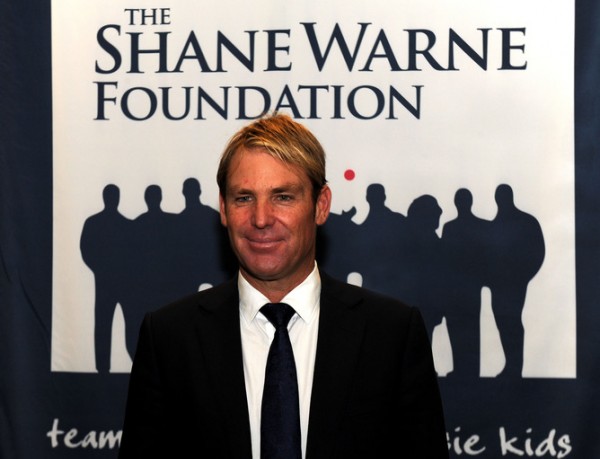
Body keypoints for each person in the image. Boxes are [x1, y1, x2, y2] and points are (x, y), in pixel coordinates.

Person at [118, 113, 449, 459]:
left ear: (320, 206)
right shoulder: (170, 338)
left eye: (283, 197)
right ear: (223, 209)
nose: (261, 219)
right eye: (243, 198)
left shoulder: (391, 334)